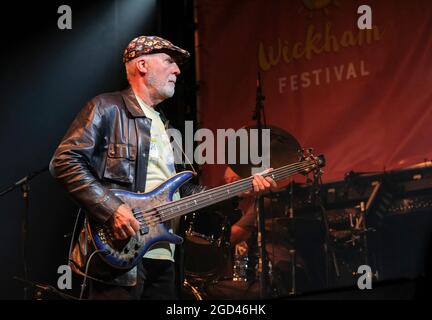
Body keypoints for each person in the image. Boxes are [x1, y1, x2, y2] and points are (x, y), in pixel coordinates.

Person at [49, 35, 276, 300]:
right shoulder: (106, 107)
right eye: (169, 61)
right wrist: (112, 210)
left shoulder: (167, 127)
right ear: (142, 65)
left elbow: (181, 192)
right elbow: (64, 161)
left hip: (165, 257)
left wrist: (243, 189)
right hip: (119, 255)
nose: (177, 70)